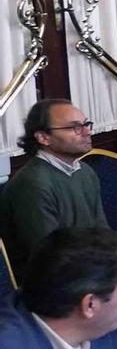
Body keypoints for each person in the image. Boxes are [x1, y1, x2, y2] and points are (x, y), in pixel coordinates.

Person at [0, 99, 107, 266]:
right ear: (43, 137)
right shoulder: (32, 184)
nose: (87, 132)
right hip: (53, 280)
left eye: (86, 124)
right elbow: (48, 255)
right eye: (75, 128)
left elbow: (102, 231)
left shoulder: (85, 171)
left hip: (90, 267)